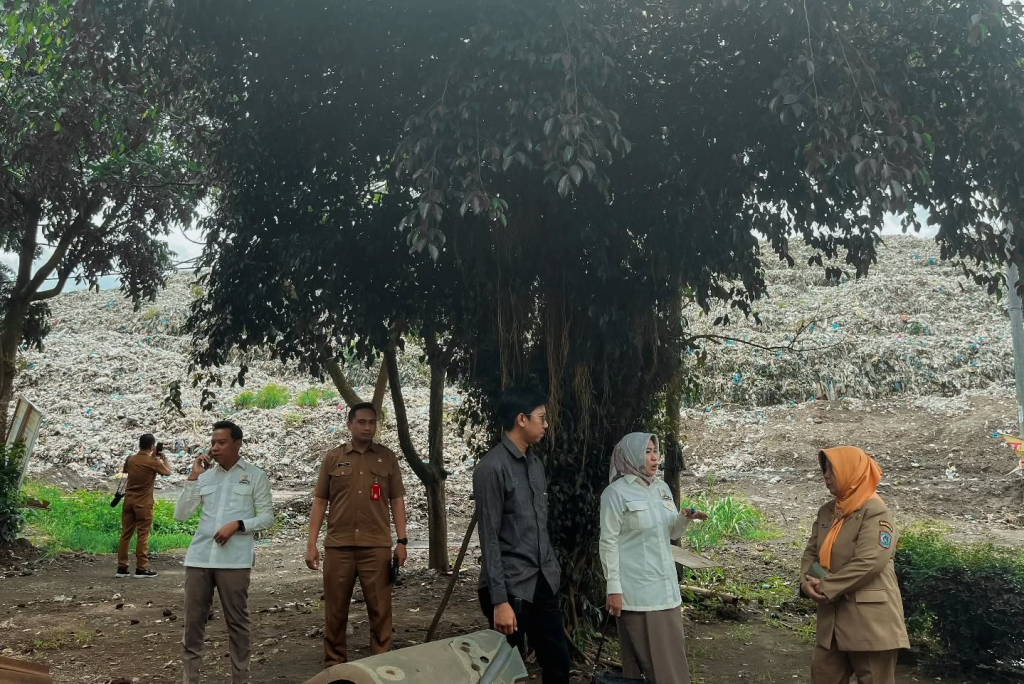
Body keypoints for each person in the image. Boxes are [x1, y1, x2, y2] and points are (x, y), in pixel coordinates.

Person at [473, 387, 571, 684]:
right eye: (541, 418)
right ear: (521, 419)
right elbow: (488, 537)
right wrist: (499, 601)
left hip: (542, 580)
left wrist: (551, 571)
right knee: (508, 671)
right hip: (511, 586)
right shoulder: (491, 468)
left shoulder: (536, 464)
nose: (546, 424)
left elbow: (539, 526)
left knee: (558, 663)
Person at [305, 402, 408, 667]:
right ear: (350, 425)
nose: (367, 427)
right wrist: (312, 543)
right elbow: (319, 500)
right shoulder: (333, 457)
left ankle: (380, 666)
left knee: (380, 610)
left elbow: (397, 500)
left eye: (372, 422)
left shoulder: (387, 458)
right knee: (335, 611)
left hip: (376, 546)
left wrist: (402, 541)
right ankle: (334, 665)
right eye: (361, 422)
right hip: (339, 546)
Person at [599, 432, 707, 684]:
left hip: (666, 591)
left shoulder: (661, 488)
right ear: (631, 455)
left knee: (672, 662)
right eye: (647, 452)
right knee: (643, 666)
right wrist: (613, 588)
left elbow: (671, 532)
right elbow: (608, 543)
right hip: (636, 594)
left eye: (655, 451)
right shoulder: (615, 493)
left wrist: (684, 518)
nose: (654, 457)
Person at [799, 447, 909, 684]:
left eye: (832, 470)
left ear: (852, 472)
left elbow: (870, 562)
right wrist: (805, 582)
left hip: (870, 622)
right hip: (832, 624)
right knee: (823, 676)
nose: (825, 476)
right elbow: (811, 552)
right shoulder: (828, 511)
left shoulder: (875, 511)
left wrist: (826, 586)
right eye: (824, 470)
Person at [175, 421, 274, 684]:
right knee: (193, 623)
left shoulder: (255, 476)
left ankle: (240, 679)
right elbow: (181, 515)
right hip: (199, 558)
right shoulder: (205, 477)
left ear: (237, 443)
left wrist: (238, 525)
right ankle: (190, 679)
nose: (215, 448)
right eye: (213, 443)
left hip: (234, 561)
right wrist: (193, 476)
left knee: (237, 624)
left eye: (222, 442)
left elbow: (266, 517)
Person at [116, 434, 171, 578]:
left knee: (125, 534)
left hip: (128, 501)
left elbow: (127, 471)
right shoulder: (152, 461)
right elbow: (167, 472)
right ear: (152, 446)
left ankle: (122, 568)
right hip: (144, 504)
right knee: (142, 535)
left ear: (139, 444)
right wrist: (163, 458)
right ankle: (142, 567)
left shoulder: (130, 459)